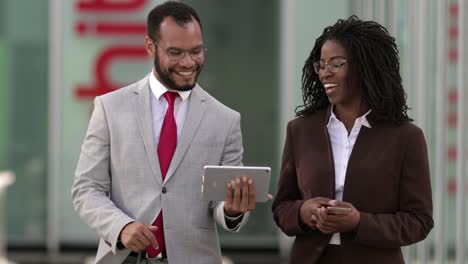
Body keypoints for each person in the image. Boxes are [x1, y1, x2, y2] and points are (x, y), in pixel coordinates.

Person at [72, 2, 259, 263]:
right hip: (124, 258)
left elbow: (220, 206)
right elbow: (86, 188)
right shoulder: (110, 107)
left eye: (196, 51)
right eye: (176, 52)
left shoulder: (225, 120)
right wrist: (122, 227)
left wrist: (232, 209)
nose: (188, 62)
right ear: (150, 47)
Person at [272, 16, 433, 264]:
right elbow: (282, 206)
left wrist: (359, 222)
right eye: (321, 65)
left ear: (365, 66)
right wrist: (304, 212)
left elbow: (419, 221)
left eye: (336, 64)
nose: (325, 73)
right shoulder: (300, 130)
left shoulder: (405, 137)